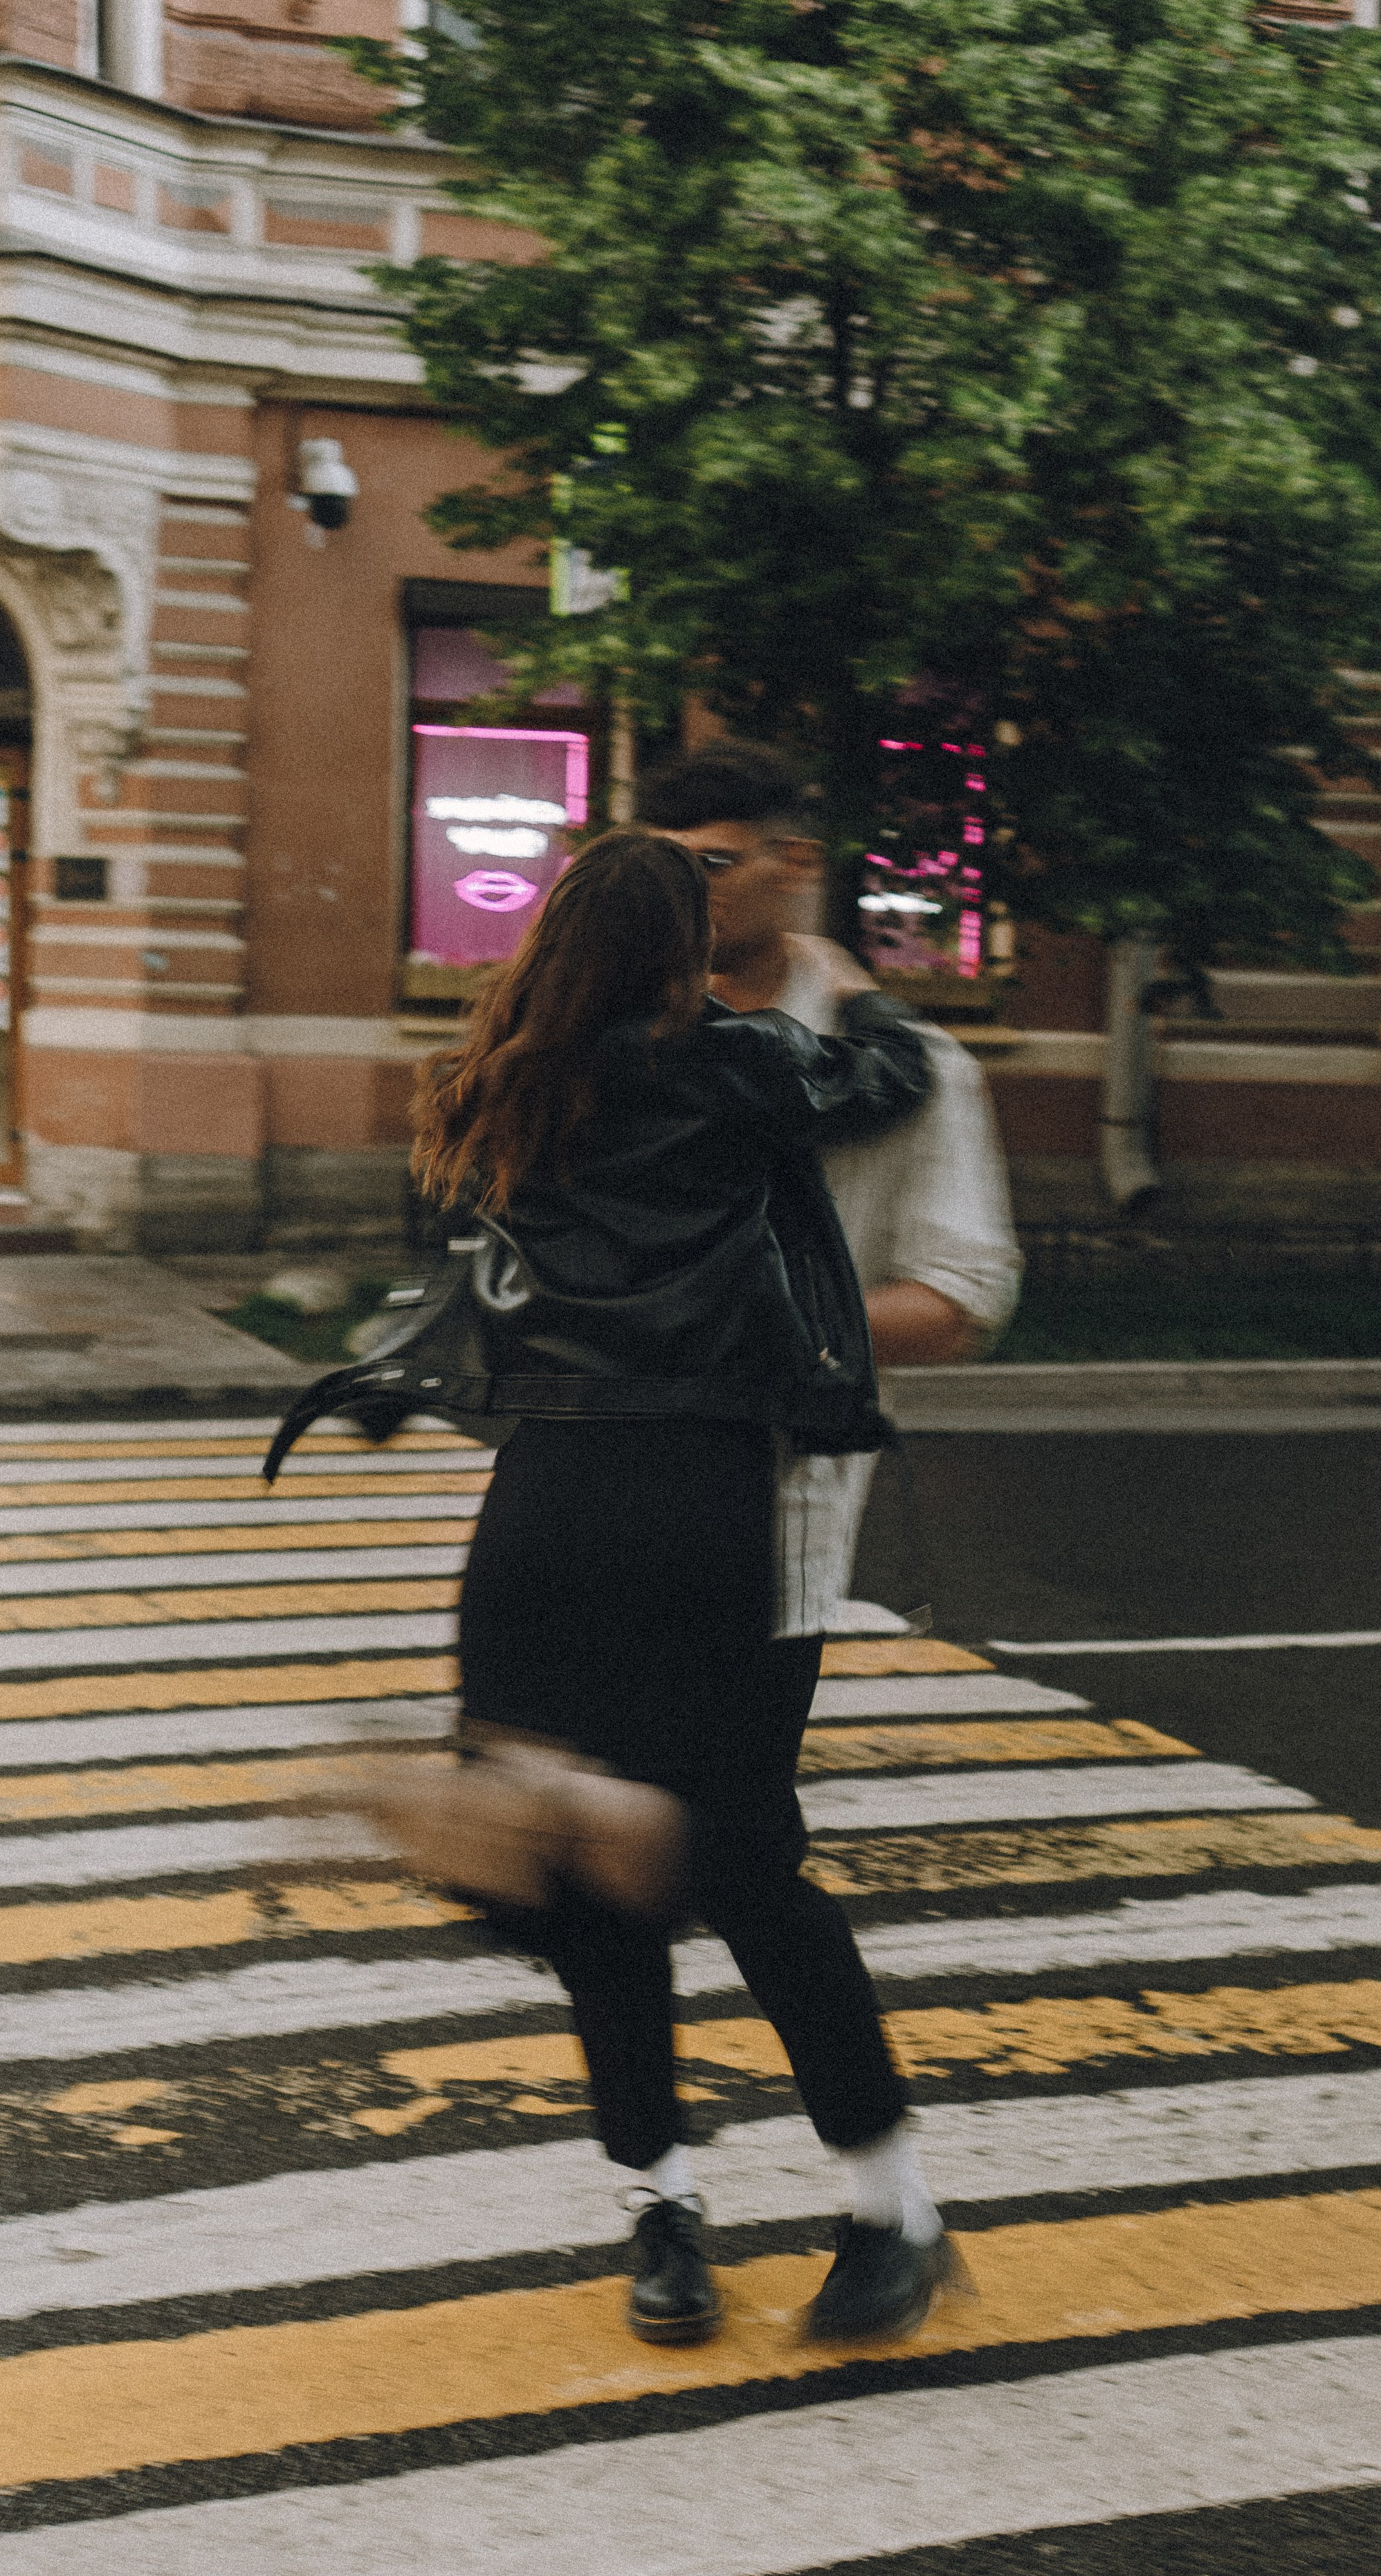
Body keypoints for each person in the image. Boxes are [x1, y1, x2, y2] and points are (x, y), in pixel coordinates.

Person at [411, 826, 958, 2348]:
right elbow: (884, 1086)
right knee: (744, 1863)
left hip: (541, 1513)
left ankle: (657, 2221)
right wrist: (855, 988)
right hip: (714, 1506)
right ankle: (889, 2209)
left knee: (575, 1871)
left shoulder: (494, 1084)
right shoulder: (739, 1064)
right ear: (678, 950)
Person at [638, 741, 1023, 1630]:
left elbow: (956, 1308)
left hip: (771, 1502)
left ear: (796, 862)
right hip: (578, 1484)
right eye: (659, 868)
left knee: (728, 1759)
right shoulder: (618, 1037)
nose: (678, 894)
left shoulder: (911, 1071)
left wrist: (708, 1326)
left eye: (711, 864)